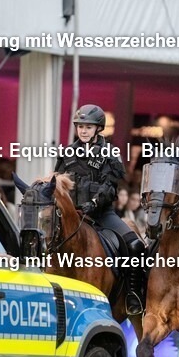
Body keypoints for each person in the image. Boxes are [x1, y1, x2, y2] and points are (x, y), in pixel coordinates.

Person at [55, 104, 145, 315]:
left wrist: (93, 204)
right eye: (80, 127)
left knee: (134, 245)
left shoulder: (110, 154)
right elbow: (57, 184)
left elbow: (109, 185)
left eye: (88, 127)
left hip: (102, 215)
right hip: (73, 217)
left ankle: (133, 295)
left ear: (98, 129)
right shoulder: (66, 154)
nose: (83, 131)